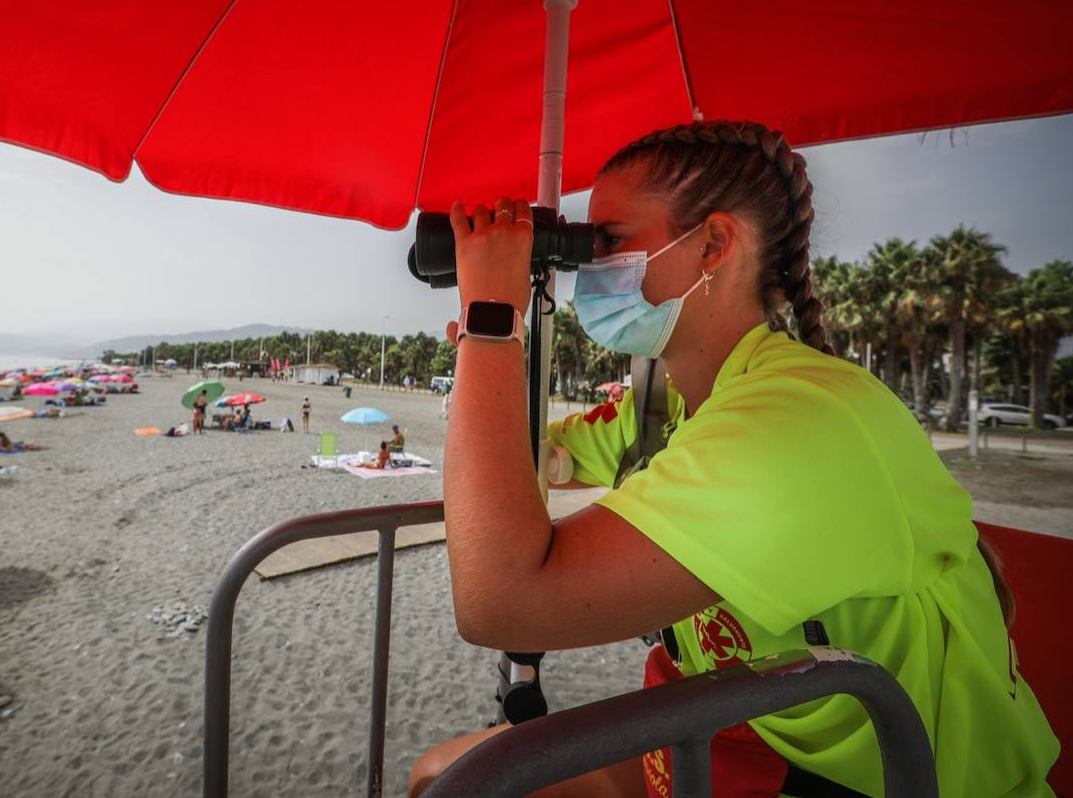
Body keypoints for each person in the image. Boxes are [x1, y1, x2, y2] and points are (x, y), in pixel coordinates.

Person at [408, 122, 1057, 797]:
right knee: (440, 776)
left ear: (714, 244)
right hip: (760, 735)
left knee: (461, 784)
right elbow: (527, 463)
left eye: (609, 241)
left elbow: (502, 601)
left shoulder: (795, 425)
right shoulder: (666, 409)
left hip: (888, 778)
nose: (593, 268)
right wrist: (502, 354)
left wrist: (492, 316)